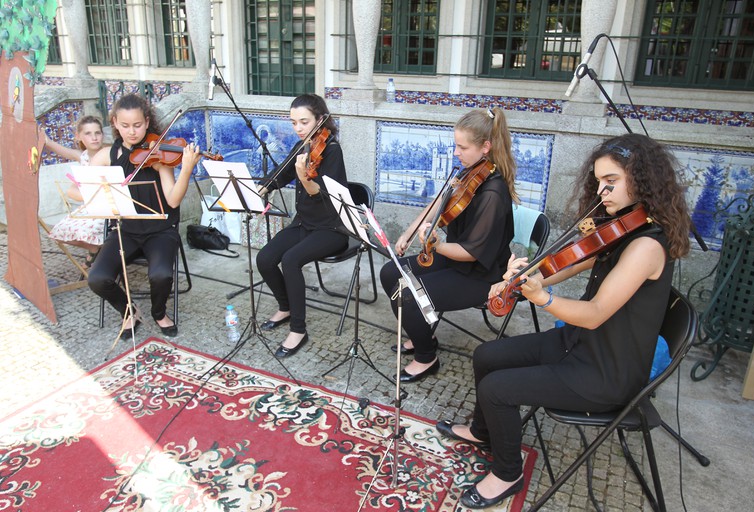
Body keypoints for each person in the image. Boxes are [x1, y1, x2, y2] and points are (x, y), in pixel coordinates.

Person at [436, 133, 691, 509]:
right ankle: (482, 431)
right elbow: (568, 263)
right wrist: (523, 278)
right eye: (598, 182)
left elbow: (595, 313)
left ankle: (507, 474)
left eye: (611, 181)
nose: (602, 192)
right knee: (486, 355)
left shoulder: (645, 246)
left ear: (643, 180)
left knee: (496, 390)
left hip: (606, 372)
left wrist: (544, 298)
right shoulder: (622, 227)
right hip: (580, 343)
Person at [379, 107, 518, 383]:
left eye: (462, 147)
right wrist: (410, 231)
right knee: (390, 272)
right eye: (456, 145)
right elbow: (440, 201)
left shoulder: (493, 193)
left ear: (485, 147)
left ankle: (426, 357)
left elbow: (471, 253)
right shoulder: (473, 171)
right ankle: (423, 332)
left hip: (483, 274)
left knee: (406, 295)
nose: (456, 153)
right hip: (457, 259)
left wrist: (437, 245)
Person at [87, 94, 201, 340]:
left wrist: (187, 169)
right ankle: (129, 311)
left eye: (137, 125)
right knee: (97, 278)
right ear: (115, 123)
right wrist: (101, 194)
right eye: (125, 125)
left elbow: (173, 200)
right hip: (125, 231)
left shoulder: (158, 154)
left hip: (160, 231)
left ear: (147, 122)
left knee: (161, 275)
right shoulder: (107, 155)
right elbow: (76, 189)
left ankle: (158, 312)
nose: (132, 132)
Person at [255, 94, 349, 358]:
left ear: (320, 119)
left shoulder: (332, 150)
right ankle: (285, 307)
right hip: (305, 224)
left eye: (304, 122)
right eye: (294, 122)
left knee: (291, 260)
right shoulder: (302, 146)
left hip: (332, 229)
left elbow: (320, 193)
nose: (298, 127)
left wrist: (303, 177)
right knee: (264, 259)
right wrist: (261, 188)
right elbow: (281, 173)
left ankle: (298, 330)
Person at [44, 115, 106, 265]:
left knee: (87, 230)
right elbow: (63, 151)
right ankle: (94, 249)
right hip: (88, 206)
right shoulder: (83, 157)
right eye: (88, 133)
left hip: (105, 207)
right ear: (78, 136)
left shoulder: (108, 155)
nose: (94, 138)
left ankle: (103, 254)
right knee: (58, 232)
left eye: (97, 133)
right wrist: (45, 140)